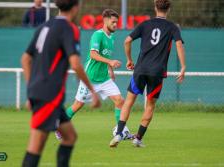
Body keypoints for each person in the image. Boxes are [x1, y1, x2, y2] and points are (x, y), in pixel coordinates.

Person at [21, 0, 100, 166]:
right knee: (35, 147)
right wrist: (92, 91)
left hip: (42, 91)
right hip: (49, 94)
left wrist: (31, 89)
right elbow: (76, 64)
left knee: (70, 137)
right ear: (75, 7)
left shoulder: (45, 26)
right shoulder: (70, 29)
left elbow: (25, 59)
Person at [109, 0, 186, 147]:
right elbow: (178, 45)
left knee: (129, 101)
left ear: (155, 7)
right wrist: (183, 67)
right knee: (150, 106)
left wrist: (129, 60)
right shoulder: (172, 27)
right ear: (168, 9)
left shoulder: (145, 24)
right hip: (157, 72)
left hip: (140, 69)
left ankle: (119, 134)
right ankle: (137, 138)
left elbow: (127, 41)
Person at [55, 9, 133, 140]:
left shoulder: (111, 37)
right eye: (113, 22)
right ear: (106, 20)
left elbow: (106, 55)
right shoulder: (98, 35)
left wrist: (110, 70)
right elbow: (93, 54)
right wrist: (110, 62)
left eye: (117, 22)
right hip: (89, 78)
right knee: (77, 105)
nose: (115, 25)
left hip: (104, 78)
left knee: (120, 101)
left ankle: (120, 132)